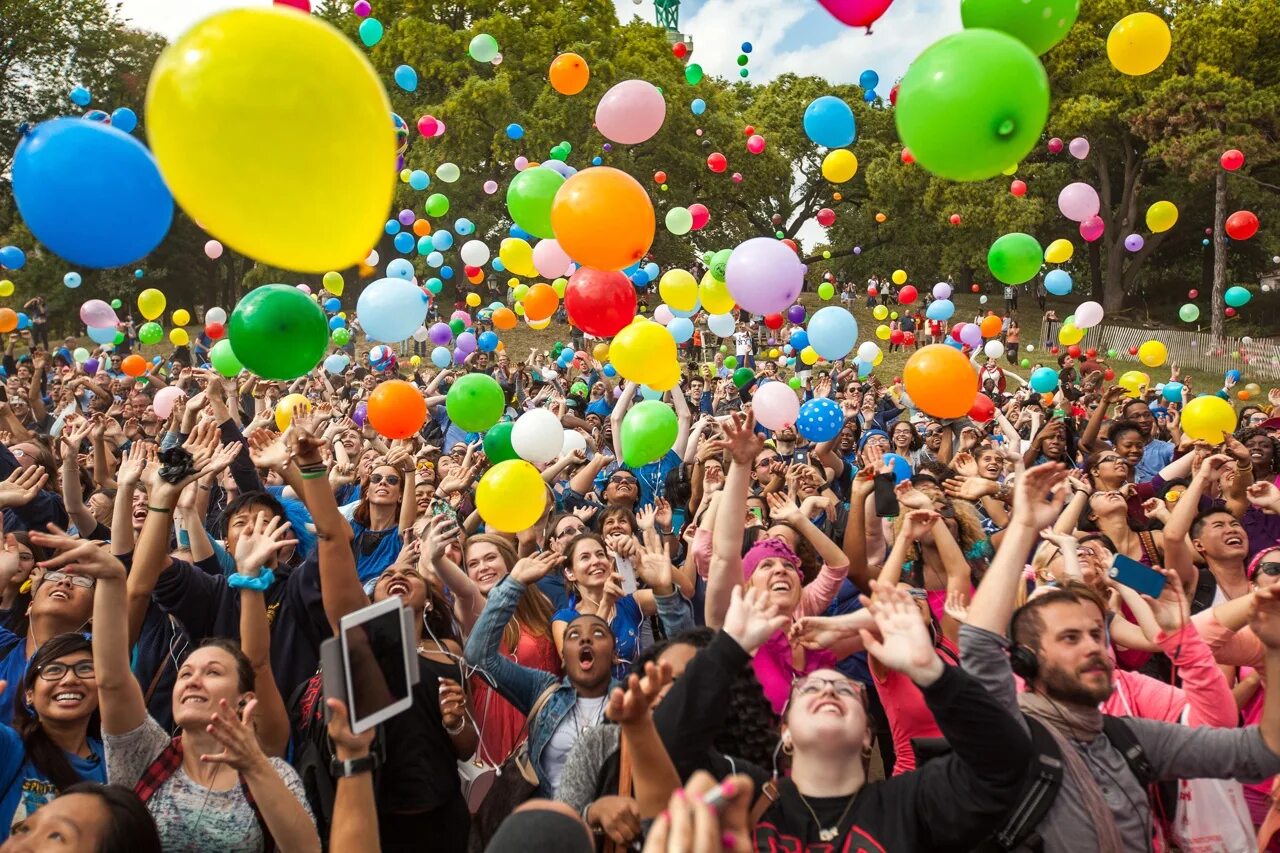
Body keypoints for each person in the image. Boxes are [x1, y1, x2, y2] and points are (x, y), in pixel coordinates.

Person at [962, 462, 1280, 853]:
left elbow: (1210, 711)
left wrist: (1166, 622)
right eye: (1069, 636)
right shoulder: (1015, 716)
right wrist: (1036, 531)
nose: (1092, 645)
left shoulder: (1130, 723)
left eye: (1097, 633)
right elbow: (980, 645)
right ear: (1026, 656)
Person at [0, 633, 105, 842]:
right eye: (54, 670)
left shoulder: (116, 760)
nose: (70, 680)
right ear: (29, 693)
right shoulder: (10, 747)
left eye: (85, 668)